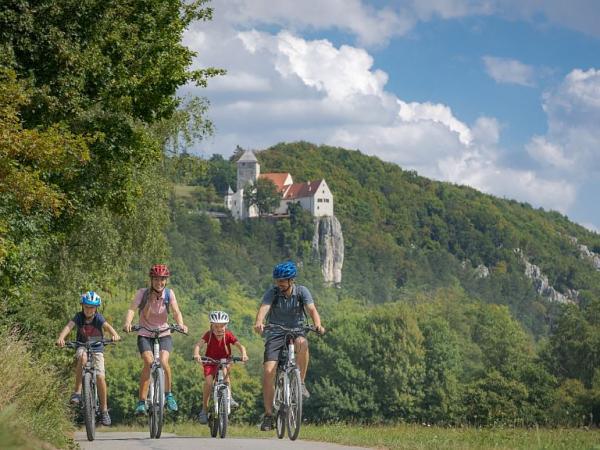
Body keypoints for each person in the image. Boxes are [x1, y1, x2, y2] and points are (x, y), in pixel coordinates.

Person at [254, 261, 325, 431]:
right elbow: (264, 307)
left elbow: (312, 310)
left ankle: (300, 382)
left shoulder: (302, 292)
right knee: (269, 371)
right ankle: (269, 415)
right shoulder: (273, 292)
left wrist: (318, 324)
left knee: (303, 343)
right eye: (277, 280)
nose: (279, 283)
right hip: (275, 332)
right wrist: (259, 322)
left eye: (283, 280)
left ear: (291, 280)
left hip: (297, 330)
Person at [122, 263, 188, 415]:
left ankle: (169, 395)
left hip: (164, 333)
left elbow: (176, 311)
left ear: (166, 280)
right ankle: (142, 402)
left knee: (164, 362)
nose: (160, 282)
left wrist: (181, 324)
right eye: (156, 279)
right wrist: (128, 323)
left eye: (162, 279)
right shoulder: (142, 293)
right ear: (151, 280)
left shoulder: (169, 294)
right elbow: (132, 309)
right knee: (149, 363)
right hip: (145, 333)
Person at [56, 291, 121, 426]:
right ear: (82, 306)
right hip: (82, 346)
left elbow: (108, 327)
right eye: (86, 307)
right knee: (83, 357)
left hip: (97, 348)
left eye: (92, 307)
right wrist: (61, 338)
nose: (89, 310)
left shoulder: (98, 318)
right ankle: (77, 392)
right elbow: (69, 326)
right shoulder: (79, 317)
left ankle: (104, 411)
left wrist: (115, 335)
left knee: (100, 377)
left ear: (96, 308)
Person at [193, 310, 248, 424]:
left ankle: (229, 397)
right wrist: (197, 354)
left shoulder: (228, 334)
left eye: (222, 326)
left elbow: (240, 346)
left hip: (224, 360)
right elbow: (198, 345)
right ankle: (204, 409)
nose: (219, 329)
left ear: (226, 326)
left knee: (225, 371)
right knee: (208, 382)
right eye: (216, 326)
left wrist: (244, 354)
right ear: (211, 326)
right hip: (210, 361)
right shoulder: (208, 335)